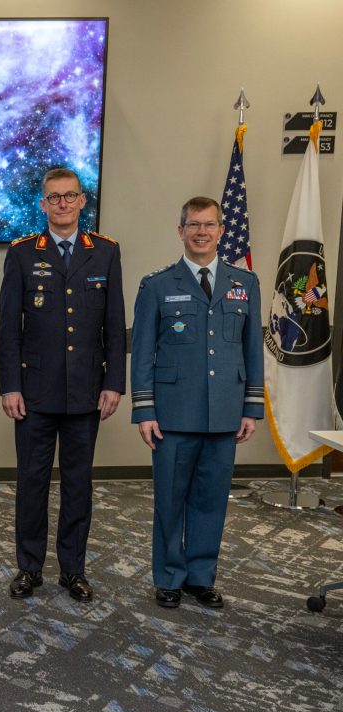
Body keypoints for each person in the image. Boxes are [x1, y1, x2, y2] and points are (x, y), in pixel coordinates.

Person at [0, 168, 126, 603]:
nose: (63, 204)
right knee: (31, 483)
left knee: (78, 485)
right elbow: (9, 329)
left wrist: (114, 384)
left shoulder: (105, 252)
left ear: (82, 201)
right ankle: (29, 568)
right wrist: (10, 386)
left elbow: (114, 326)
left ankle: (73, 570)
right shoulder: (21, 254)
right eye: (54, 198)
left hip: (87, 393)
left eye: (70, 196)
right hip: (34, 393)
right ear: (43, 204)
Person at [131, 196, 263, 609]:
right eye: (193, 225)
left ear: (222, 231)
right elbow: (142, 352)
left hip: (225, 411)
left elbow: (252, 349)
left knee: (210, 500)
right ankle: (170, 576)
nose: (202, 232)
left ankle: (201, 577)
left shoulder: (246, 284)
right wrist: (145, 410)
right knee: (170, 501)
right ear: (180, 231)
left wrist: (251, 407)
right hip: (173, 413)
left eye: (209, 225)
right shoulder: (156, 285)